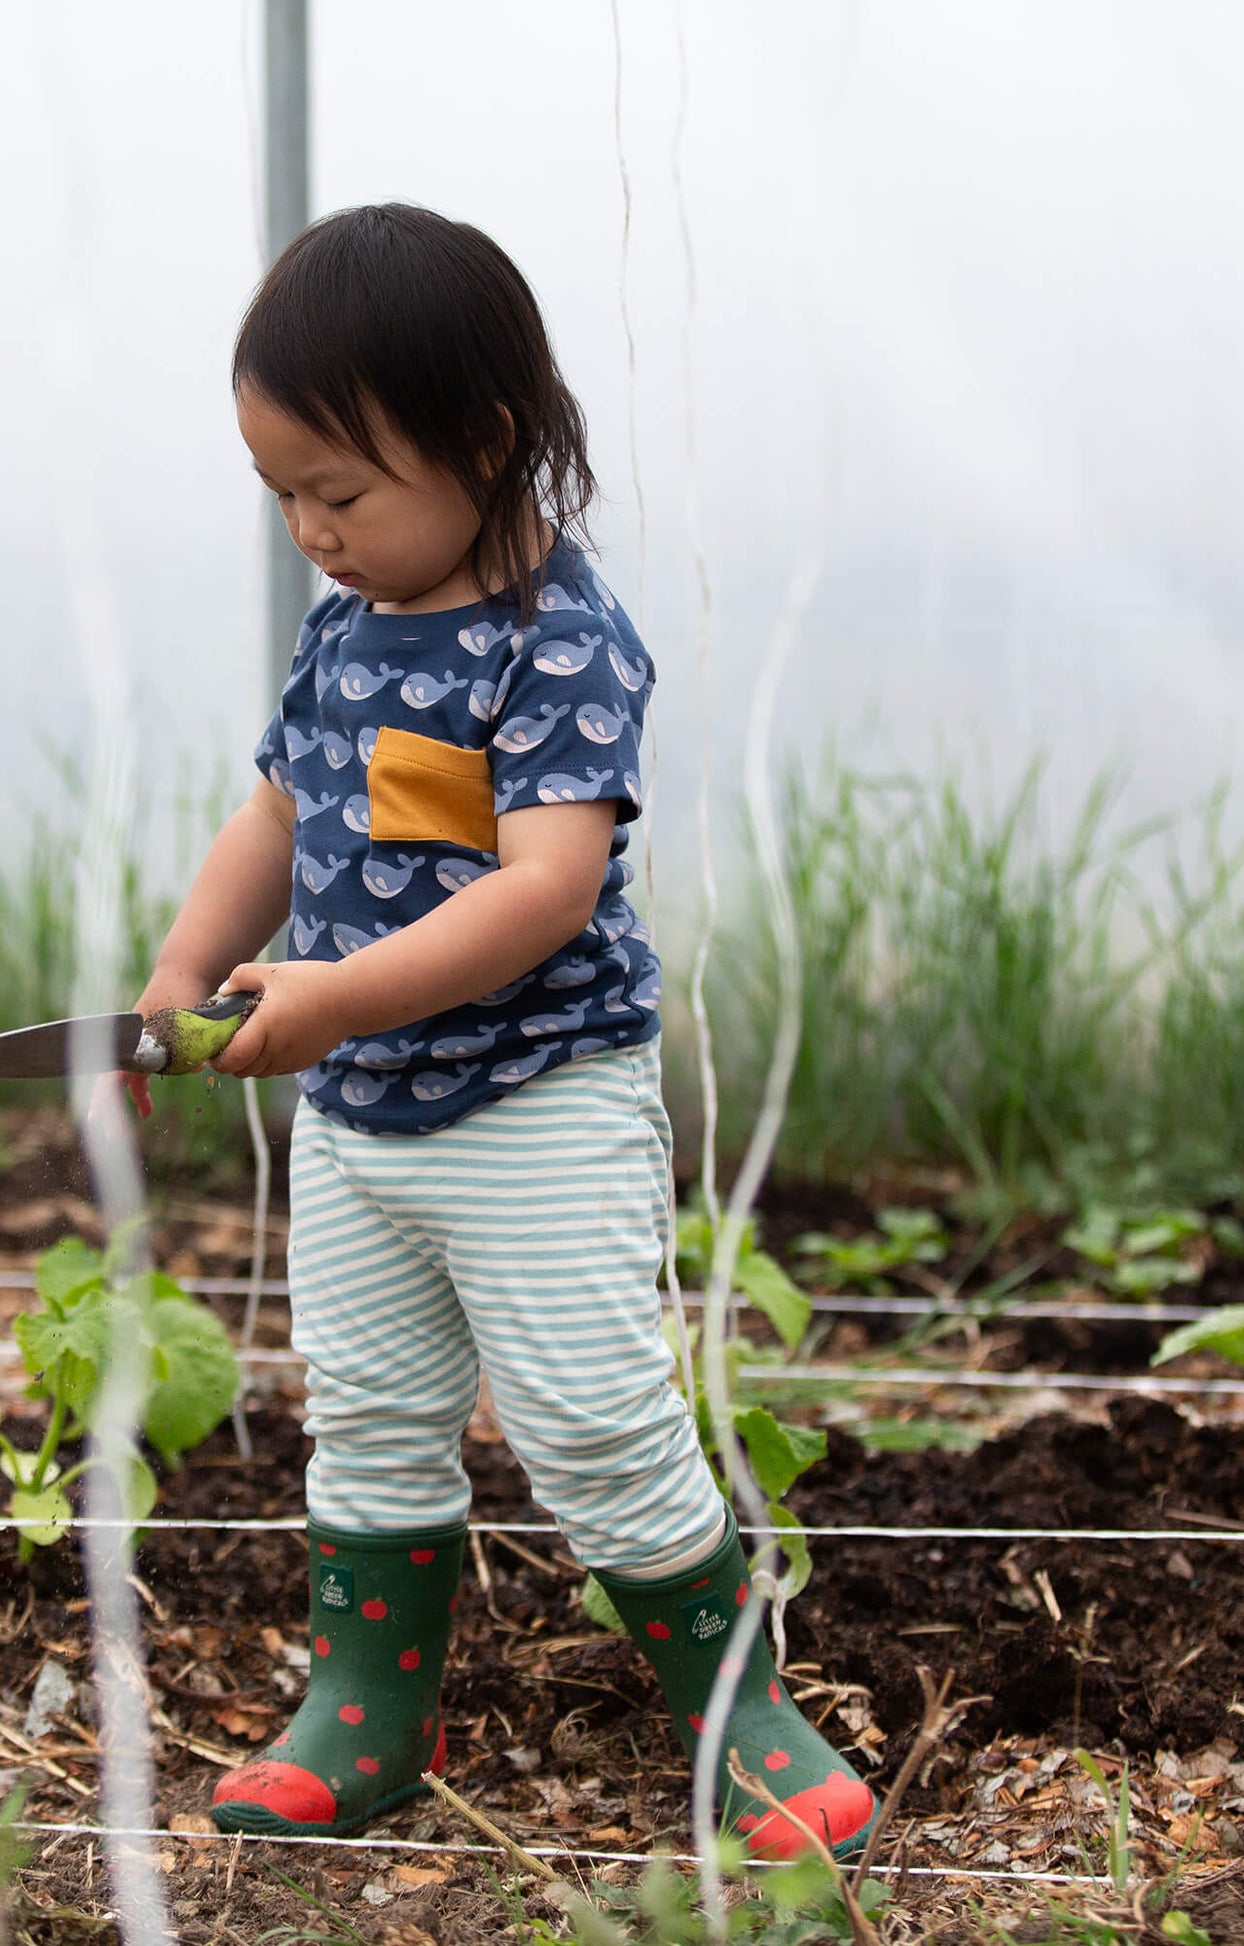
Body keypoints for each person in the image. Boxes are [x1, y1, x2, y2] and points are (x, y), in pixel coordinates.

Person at [115, 204, 877, 1859]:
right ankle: (372, 1705)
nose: (309, 530)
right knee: (369, 1411)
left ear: (481, 439)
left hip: (536, 1102)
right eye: (283, 497)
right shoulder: (343, 629)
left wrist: (329, 998)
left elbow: (543, 887)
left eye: (340, 490)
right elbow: (277, 811)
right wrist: (189, 966)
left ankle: (736, 1706)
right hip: (363, 1119)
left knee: (596, 1414)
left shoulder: (559, 642)